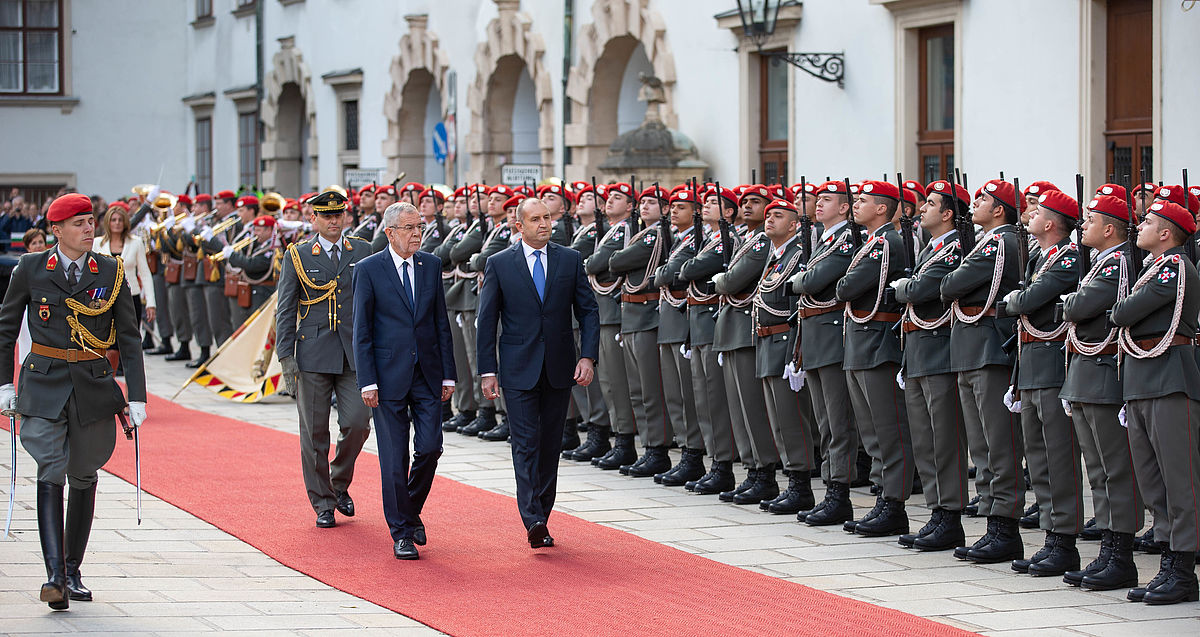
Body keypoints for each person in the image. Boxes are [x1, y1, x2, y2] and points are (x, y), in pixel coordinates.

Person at [0, 193, 148, 610]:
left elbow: (130, 339)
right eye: (80, 223)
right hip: (43, 383)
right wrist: (4, 386)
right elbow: (5, 329)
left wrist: (135, 395)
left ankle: (72, 568)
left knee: (83, 472)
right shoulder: (30, 268)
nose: (89, 229)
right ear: (57, 230)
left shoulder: (111, 270)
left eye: (91, 222)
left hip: (92, 384)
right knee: (50, 466)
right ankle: (54, 577)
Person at [476, 197, 599, 548]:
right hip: (517, 369)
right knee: (526, 443)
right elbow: (487, 322)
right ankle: (531, 517)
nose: (544, 224)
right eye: (535, 219)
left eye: (547, 218)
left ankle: (542, 514)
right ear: (519, 226)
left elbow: (588, 312)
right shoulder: (499, 264)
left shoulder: (570, 259)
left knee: (549, 445)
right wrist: (488, 371)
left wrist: (587, 356)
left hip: (560, 367)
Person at [353, 201, 456, 560]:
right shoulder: (369, 269)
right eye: (410, 228)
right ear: (390, 232)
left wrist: (448, 373)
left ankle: (409, 511)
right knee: (393, 458)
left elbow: (440, 323)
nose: (417, 234)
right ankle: (401, 532)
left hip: (427, 374)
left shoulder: (431, 265)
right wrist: (367, 380)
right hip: (386, 376)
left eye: (420, 227)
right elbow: (361, 330)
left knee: (430, 447)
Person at [1111, 200, 1200, 605]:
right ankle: (1168, 558)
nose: (1139, 226)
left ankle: (1182, 569)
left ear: (1166, 233)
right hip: (1144, 376)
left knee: (1179, 481)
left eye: (1147, 221)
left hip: (1168, 377)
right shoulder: (1153, 268)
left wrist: (1121, 310)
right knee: (1153, 481)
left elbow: (1125, 311)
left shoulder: (1174, 267)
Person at [276, 190, 372, 529]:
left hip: (353, 354)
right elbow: (286, 308)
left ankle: (339, 481)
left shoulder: (362, 250)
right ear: (312, 219)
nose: (333, 221)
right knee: (314, 432)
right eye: (325, 215)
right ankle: (323, 502)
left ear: (346, 216)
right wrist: (286, 358)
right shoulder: (299, 255)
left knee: (358, 423)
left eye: (339, 214)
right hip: (313, 353)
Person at [93, 203, 157, 338]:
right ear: (107, 222)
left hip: (131, 297)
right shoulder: (97, 243)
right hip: (105, 299)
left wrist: (151, 303)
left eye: (120, 220)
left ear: (126, 222)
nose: (117, 223)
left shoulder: (136, 242)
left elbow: (145, 274)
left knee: (130, 339)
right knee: (108, 341)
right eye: (113, 220)